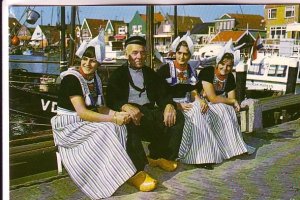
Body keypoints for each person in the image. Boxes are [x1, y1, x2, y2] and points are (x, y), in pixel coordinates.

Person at [51, 33, 155, 200]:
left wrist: (120, 114)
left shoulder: (95, 79)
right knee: (108, 129)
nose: (88, 63)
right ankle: (112, 178)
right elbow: (83, 112)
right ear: (81, 58)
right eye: (85, 59)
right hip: (69, 125)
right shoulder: (71, 79)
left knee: (122, 125)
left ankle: (134, 170)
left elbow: (101, 108)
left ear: (98, 63)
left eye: (93, 61)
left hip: (85, 121)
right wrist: (113, 119)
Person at [157, 35, 254, 170]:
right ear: (175, 52)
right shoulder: (165, 69)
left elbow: (193, 90)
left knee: (202, 109)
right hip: (170, 104)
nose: (182, 57)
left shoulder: (190, 70)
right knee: (196, 114)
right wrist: (176, 105)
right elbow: (160, 93)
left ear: (190, 55)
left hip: (187, 101)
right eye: (179, 53)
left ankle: (206, 155)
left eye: (186, 54)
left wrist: (200, 100)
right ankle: (196, 157)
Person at [106, 36, 185, 185]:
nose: (139, 57)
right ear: (126, 54)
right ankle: (137, 171)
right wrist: (124, 106)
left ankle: (159, 156)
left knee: (177, 117)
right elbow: (111, 99)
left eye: (142, 53)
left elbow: (163, 94)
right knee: (128, 120)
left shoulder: (150, 73)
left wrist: (169, 105)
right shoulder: (118, 75)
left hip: (148, 112)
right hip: (131, 115)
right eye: (135, 53)